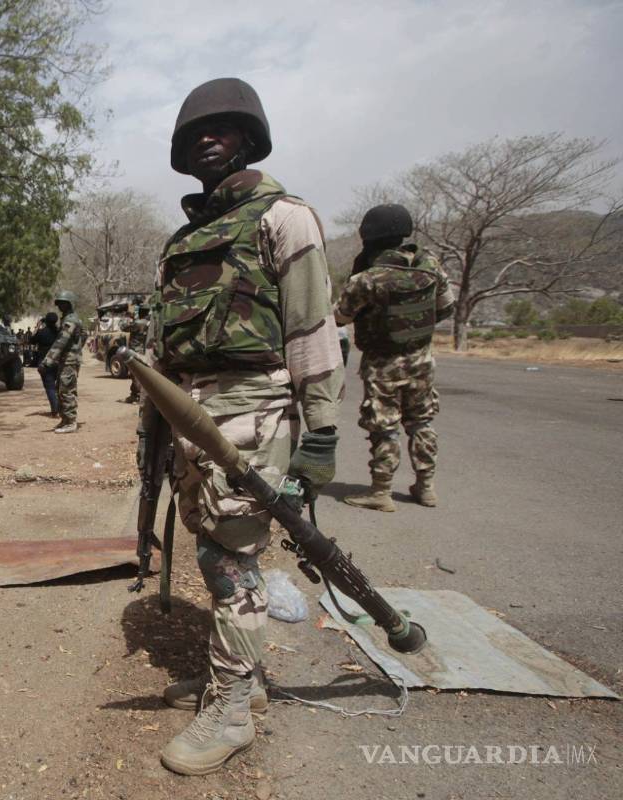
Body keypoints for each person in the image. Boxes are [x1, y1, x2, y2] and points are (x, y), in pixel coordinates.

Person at [145, 78, 344, 776]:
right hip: (191, 416)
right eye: (196, 130)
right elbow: (163, 347)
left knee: (233, 563)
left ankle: (231, 711)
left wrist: (320, 434)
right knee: (213, 554)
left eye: (224, 127)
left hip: (255, 409)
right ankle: (239, 681)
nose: (208, 137)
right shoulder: (183, 240)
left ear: (250, 137)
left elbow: (313, 329)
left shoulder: (284, 218)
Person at [334, 203, 454, 511]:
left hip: (382, 364)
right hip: (422, 361)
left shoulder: (369, 279)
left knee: (384, 427)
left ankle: (381, 492)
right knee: (421, 422)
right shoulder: (431, 266)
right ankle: (426, 488)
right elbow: (445, 308)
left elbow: (340, 317)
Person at [40, 291, 85, 433]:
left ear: (69, 304)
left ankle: (71, 422)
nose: (60, 306)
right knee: (61, 388)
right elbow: (84, 335)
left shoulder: (70, 320)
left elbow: (61, 341)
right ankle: (65, 420)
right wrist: (77, 348)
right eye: (59, 303)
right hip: (67, 359)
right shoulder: (69, 318)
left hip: (69, 361)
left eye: (63, 303)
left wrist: (47, 361)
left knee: (67, 390)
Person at [31, 312, 60, 415]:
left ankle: (55, 410)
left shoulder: (41, 332)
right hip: (58, 361)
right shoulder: (59, 332)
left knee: (50, 387)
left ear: (45, 321)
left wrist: (37, 327)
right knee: (59, 387)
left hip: (45, 363)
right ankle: (61, 407)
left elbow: (31, 340)